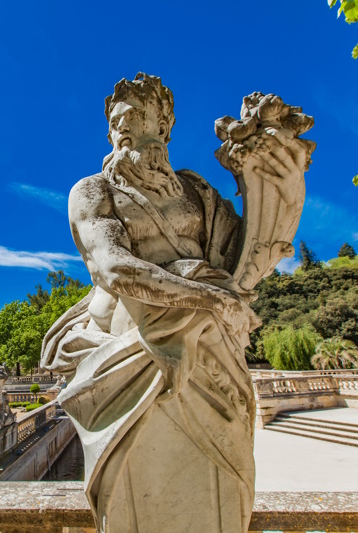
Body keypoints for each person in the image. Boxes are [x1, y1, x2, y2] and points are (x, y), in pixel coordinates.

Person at [41, 73, 311, 533]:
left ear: (163, 124)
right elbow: (113, 269)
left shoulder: (197, 193)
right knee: (135, 495)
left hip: (211, 351)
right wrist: (211, 299)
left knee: (221, 481)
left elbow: (245, 263)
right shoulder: (93, 191)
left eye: (132, 117)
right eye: (114, 122)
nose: (120, 128)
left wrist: (278, 178)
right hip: (133, 352)